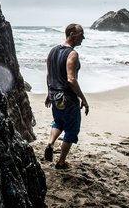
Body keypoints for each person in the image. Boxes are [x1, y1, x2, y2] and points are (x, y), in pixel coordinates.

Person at [44, 24, 89, 169]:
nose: (83, 37)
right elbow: (71, 80)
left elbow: (49, 75)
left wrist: (49, 93)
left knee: (58, 122)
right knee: (71, 129)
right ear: (71, 34)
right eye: (81, 34)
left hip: (54, 94)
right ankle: (61, 162)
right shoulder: (72, 54)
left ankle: (50, 144)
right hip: (67, 97)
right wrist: (83, 98)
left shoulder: (52, 51)